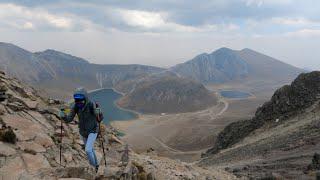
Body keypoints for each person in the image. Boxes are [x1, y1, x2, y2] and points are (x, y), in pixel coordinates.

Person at [59, 87, 101, 172]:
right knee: (90, 150)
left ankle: (94, 168)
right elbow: (69, 119)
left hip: (93, 130)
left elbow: (99, 119)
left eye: (80, 100)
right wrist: (63, 116)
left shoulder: (91, 105)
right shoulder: (75, 106)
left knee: (88, 150)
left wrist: (99, 113)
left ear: (85, 98)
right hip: (83, 132)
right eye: (76, 100)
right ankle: (96, 165)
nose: (79, 102)